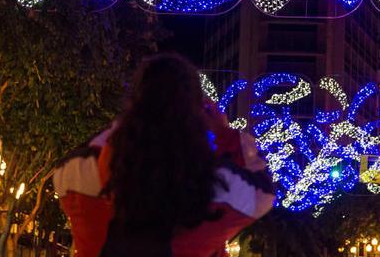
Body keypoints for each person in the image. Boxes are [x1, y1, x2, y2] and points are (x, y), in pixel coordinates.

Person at [54, 53, 275, 257]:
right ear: (197, 115)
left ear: (132, 104)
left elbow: (88, 151)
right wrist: (223, 134)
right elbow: (263, 190)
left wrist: (127, 124)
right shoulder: (215, 185)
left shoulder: (75, 174)